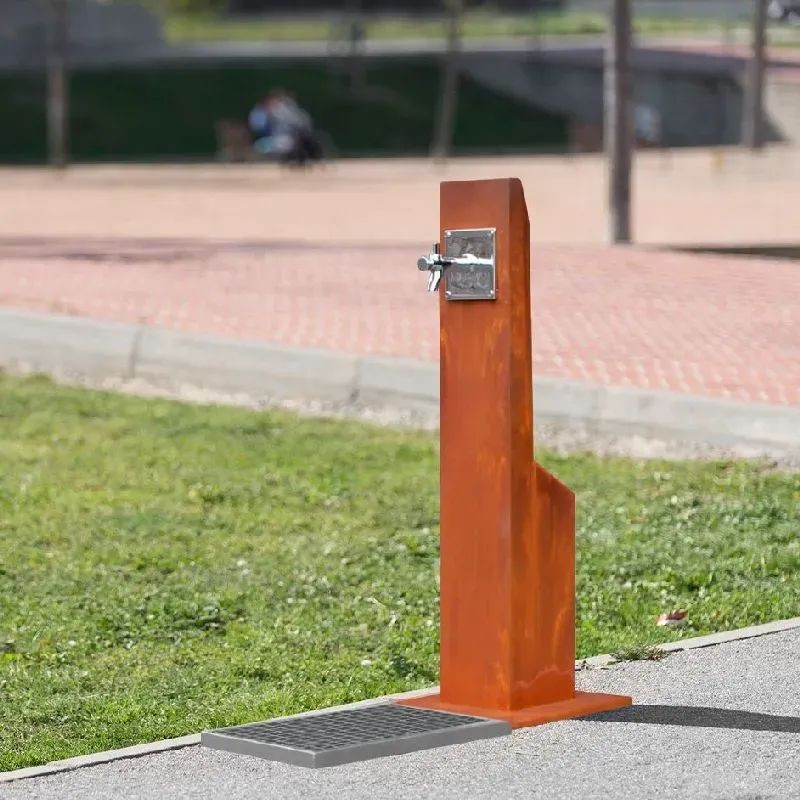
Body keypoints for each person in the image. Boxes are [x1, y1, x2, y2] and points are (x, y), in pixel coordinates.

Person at [248, 90, 323, 166]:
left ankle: (302, 159)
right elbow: (260, 129)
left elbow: (302, 124)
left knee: (301, 140)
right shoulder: (263, 112)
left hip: (289, 139)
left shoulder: (290, 112)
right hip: (274, 140)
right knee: (290, 143)